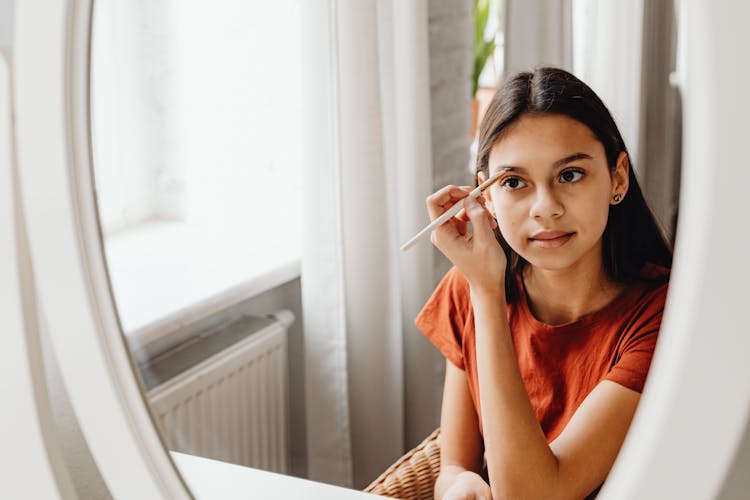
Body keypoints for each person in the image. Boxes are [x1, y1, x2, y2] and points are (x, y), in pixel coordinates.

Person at [416, 67, 672, 500]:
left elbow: (535, 496)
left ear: (618, 178)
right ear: (488, 199)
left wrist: (488, 296)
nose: (546, 208)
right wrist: (459, 485)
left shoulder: (663, 315)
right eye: (514, 183)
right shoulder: (467, 287)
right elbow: (455, 462)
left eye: (570, 174)